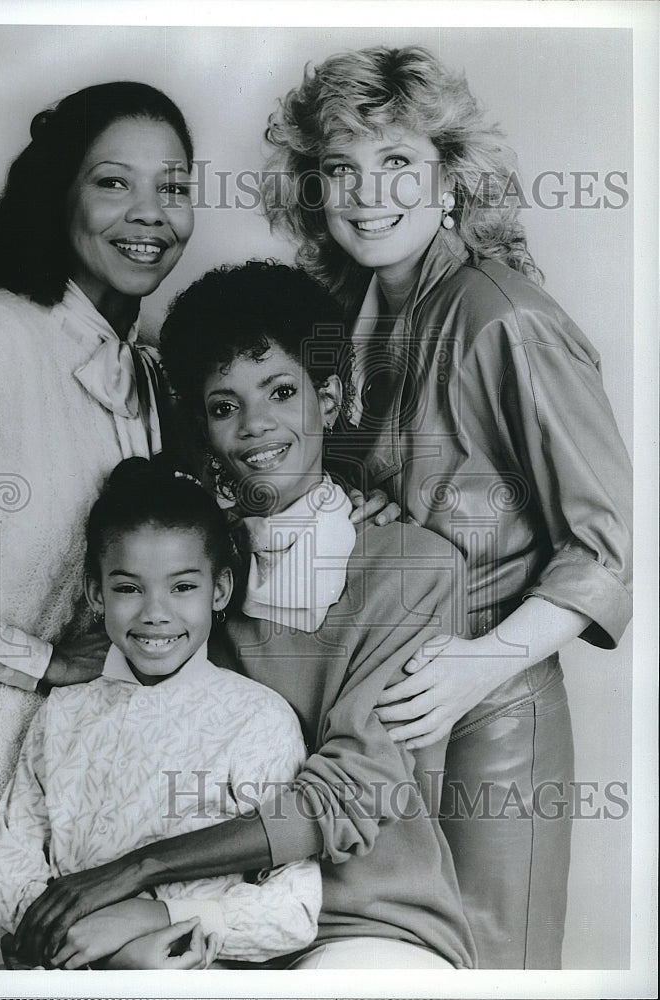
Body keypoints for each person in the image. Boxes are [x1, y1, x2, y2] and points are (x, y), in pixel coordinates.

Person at [260, 45, 633, 968]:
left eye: (397, 163)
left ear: (449, 181)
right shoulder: (339, 316)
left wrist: (475, 668)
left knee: (490, 967)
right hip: (376, 712)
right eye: (340, 167)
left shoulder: (504, 316)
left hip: (487, 713)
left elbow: (603, 548)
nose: (366, 191)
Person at [10, 261, 477, 971]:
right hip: (202, 908)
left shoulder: (412, 567)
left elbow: (349, 793)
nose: (255, 426)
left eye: (281, 393)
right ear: (204, 430)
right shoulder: (195, 572)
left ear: (329, 397)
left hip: (363, 922)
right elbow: (111, 681)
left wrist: (137, 873)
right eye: (224, 406)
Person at [0, 81, 197, 970]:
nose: (150, 214)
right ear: (58, 194)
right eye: (114, 183)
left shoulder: (154, 381)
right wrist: (40, 658)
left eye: (175, 187)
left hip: (85, 840)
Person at [0, 457, 321, 969]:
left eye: (183, 586)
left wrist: (161, 919)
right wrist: (104, 953)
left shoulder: (258, 720)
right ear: (97, 594)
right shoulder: (62, 713)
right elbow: (12, 877)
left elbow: (293, 909)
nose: (155, 612)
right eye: (128, 588)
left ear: (221, 590)